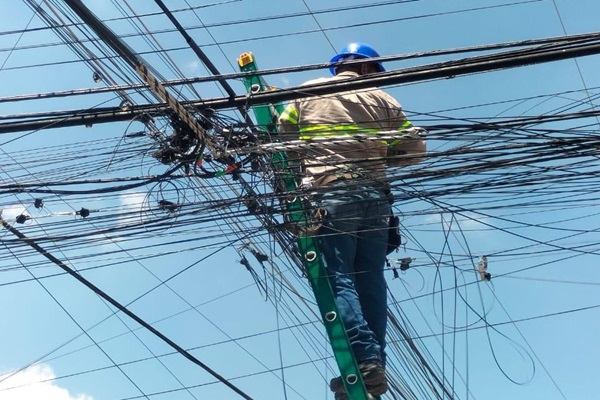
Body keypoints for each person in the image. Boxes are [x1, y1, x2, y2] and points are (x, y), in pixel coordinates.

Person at [278, 43, 426, 399]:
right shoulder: (386, 102)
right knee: (370, 281)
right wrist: (383, 159)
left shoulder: (308, 92)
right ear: (367, 68)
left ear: (341, 67)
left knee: (338, 277)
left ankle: (363, 359)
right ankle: (373, 366)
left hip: (331, 192)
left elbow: (282, 136)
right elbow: (415, 149)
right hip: (377, 201)